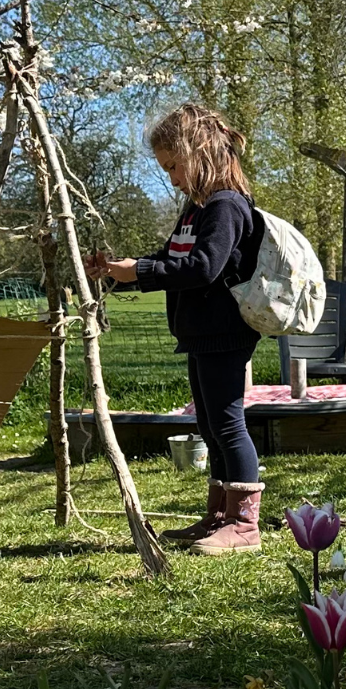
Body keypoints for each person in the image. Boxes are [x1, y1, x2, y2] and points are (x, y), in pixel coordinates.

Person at [87, 103, 265, 555]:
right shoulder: (195, 209)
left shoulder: (226, 206)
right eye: (165, 169)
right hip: (200, 333)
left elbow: (203, 268)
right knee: (209, 424)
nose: (171, 178)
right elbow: (171, 262)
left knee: (228, 425)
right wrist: (113, 272)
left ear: (200, 152)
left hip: (225, 330)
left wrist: (139, 272)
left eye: (174, 166)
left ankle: (245, 527)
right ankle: (220, 515)